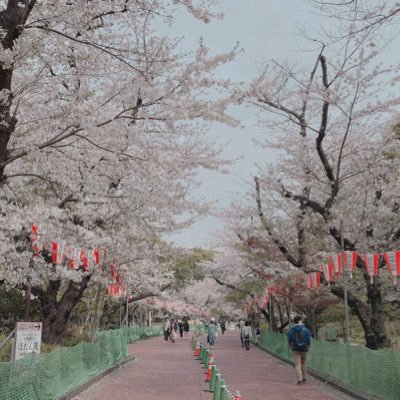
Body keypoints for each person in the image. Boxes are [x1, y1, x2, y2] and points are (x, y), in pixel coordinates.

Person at [288, 316, 312, 385]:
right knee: (303, 362)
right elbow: (308, 338)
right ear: (300, 321)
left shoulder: (291, 329)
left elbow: (290, 339)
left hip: (295, 348)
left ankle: (299, 380)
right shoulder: (305, 329)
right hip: (304, 347)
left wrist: (290, 345)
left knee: (297, 364)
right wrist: (309, 346)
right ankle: (304, 378)